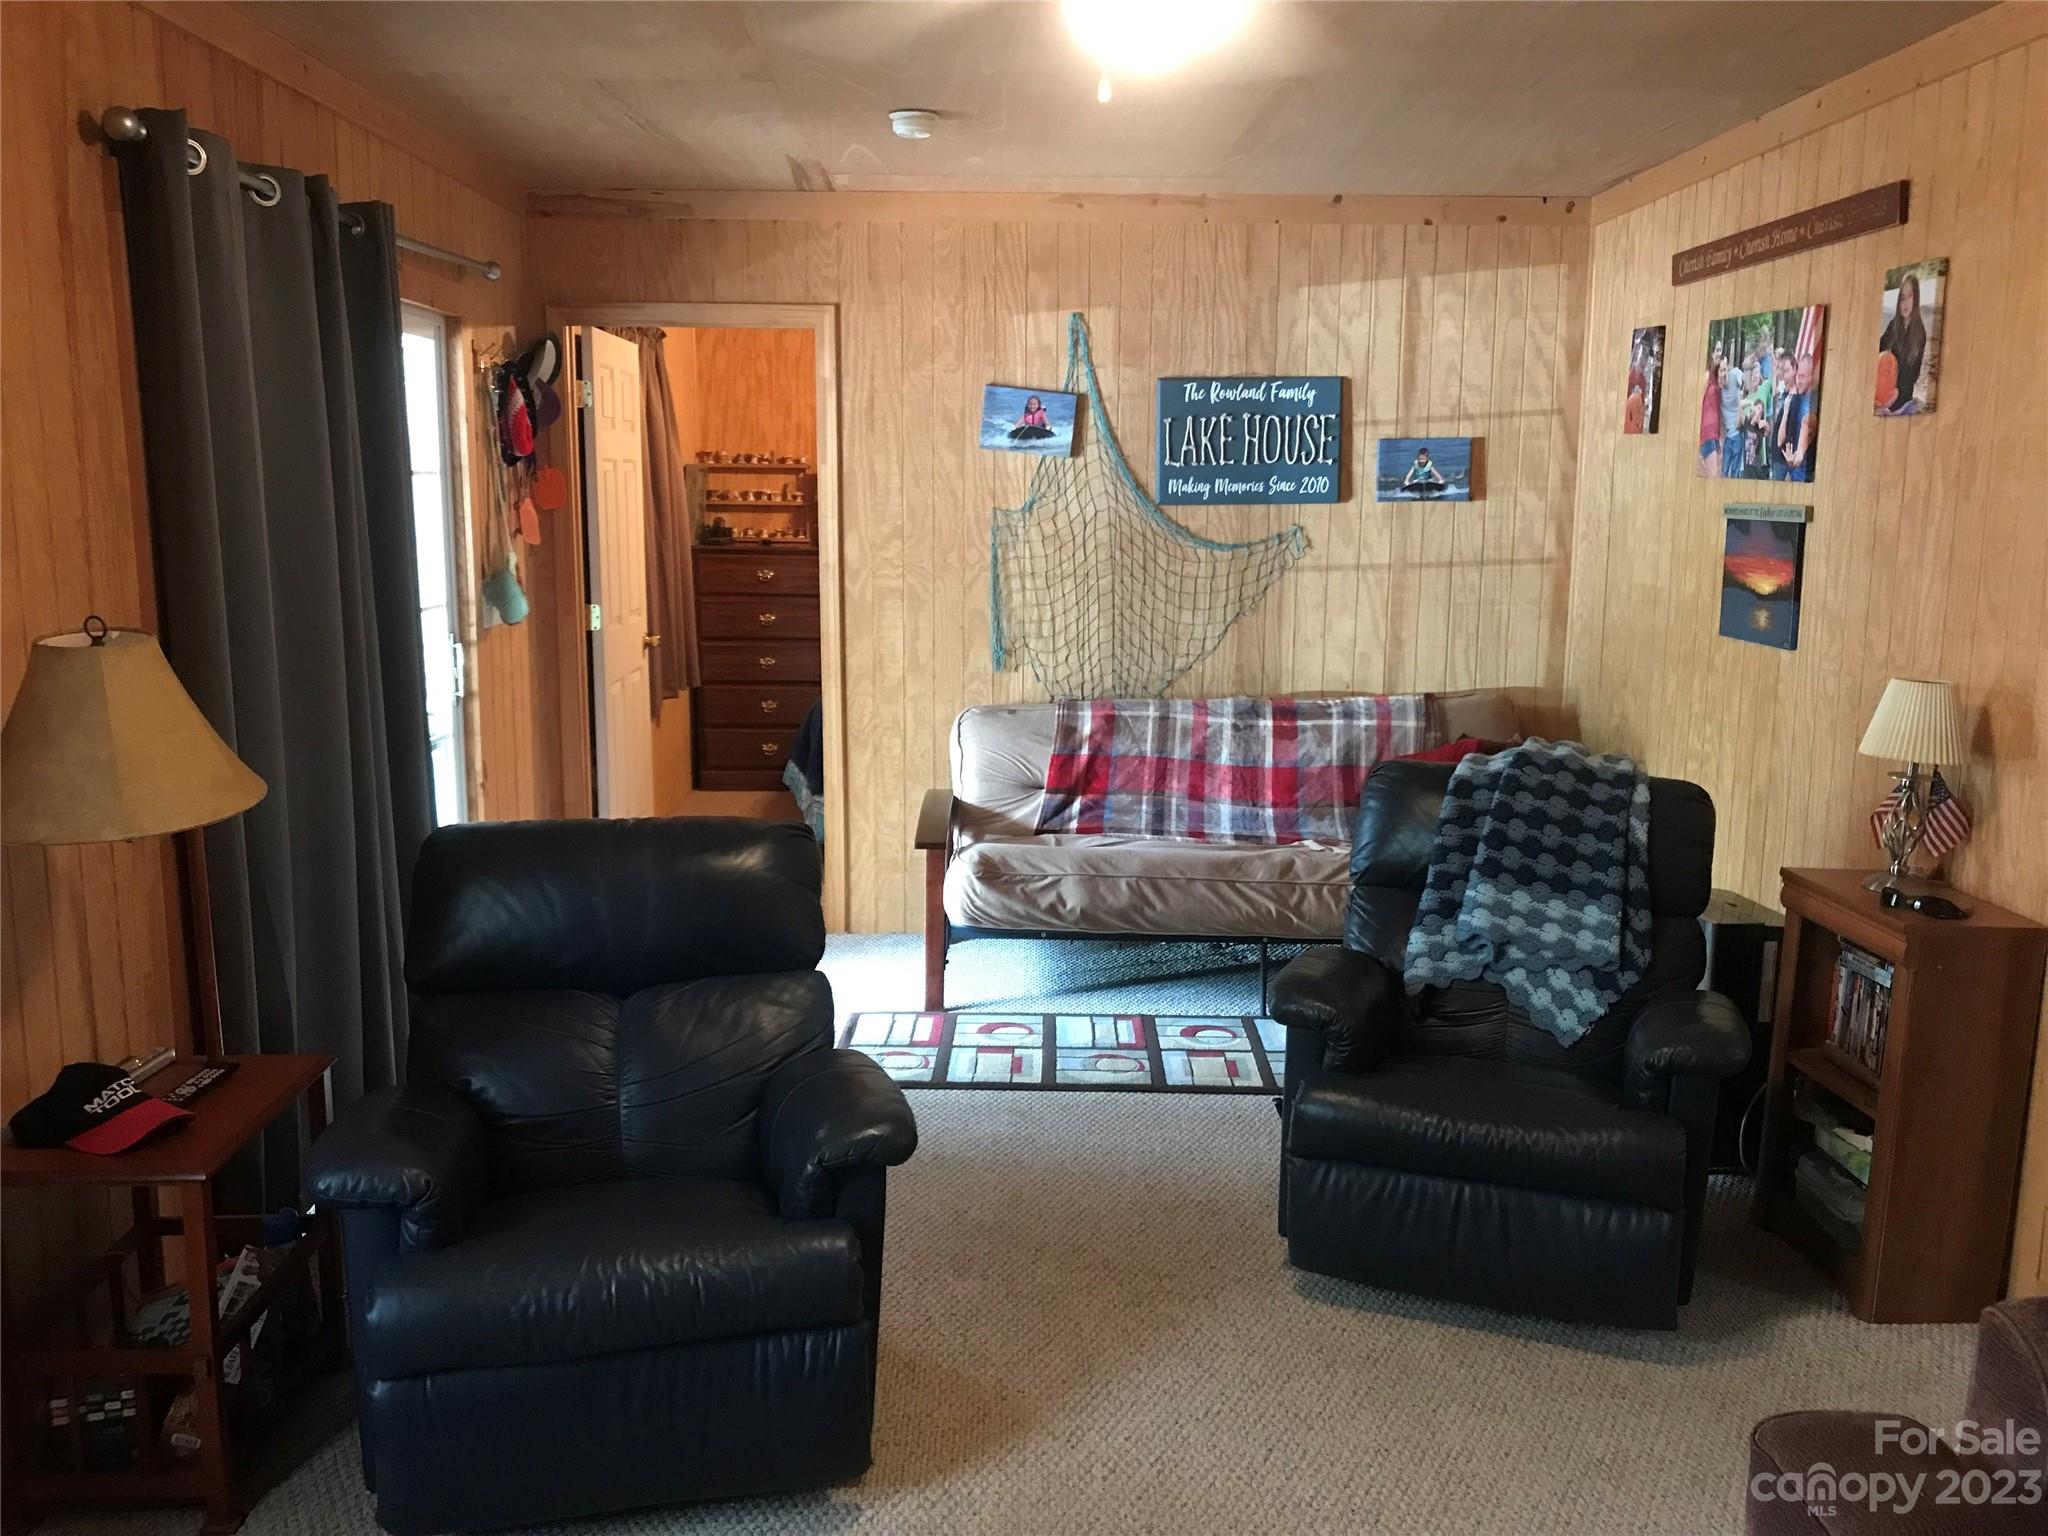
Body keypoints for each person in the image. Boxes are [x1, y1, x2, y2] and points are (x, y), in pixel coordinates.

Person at [1877, 271, 1928, 414]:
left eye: (1910, 296)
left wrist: (1897, 392)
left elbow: (1914, 374)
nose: (1905, 303)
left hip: (1903, 396)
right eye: (1902, 298)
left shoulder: (1919, 332)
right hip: (1885, 394)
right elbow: (1879, 350)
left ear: (1916, 298)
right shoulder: (1894, 325)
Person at [1777, 350, 1821, 481]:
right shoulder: (1798, 398)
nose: (1799, 380)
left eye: (1802, 376)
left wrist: (1797, 457)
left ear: (1811, 377)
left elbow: (1806, 426)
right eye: (1798, 376)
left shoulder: (1813, 405)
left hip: (1805, 477)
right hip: (1793, 473)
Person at [1719, 343, 1746, 478]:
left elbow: (1746, 380)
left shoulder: (1735, 374)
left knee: (1734, 474)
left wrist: (1743, 389)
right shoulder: (1718, 391)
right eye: (1720, 371)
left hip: (1738, 433)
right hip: (1727, 437)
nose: (1723, 375)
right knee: (1724, 472)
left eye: (1725, 370)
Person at [1699, 346, 1724, 477]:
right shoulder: (1707, 376)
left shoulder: (1717, 379)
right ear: (1712, 354)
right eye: (1717, 350)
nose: (1719, 354)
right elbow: (1699, 401)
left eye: (1721, 351)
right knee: (1713, 477)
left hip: (1714, 434)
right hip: (1707, 431)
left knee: (1713, 476)